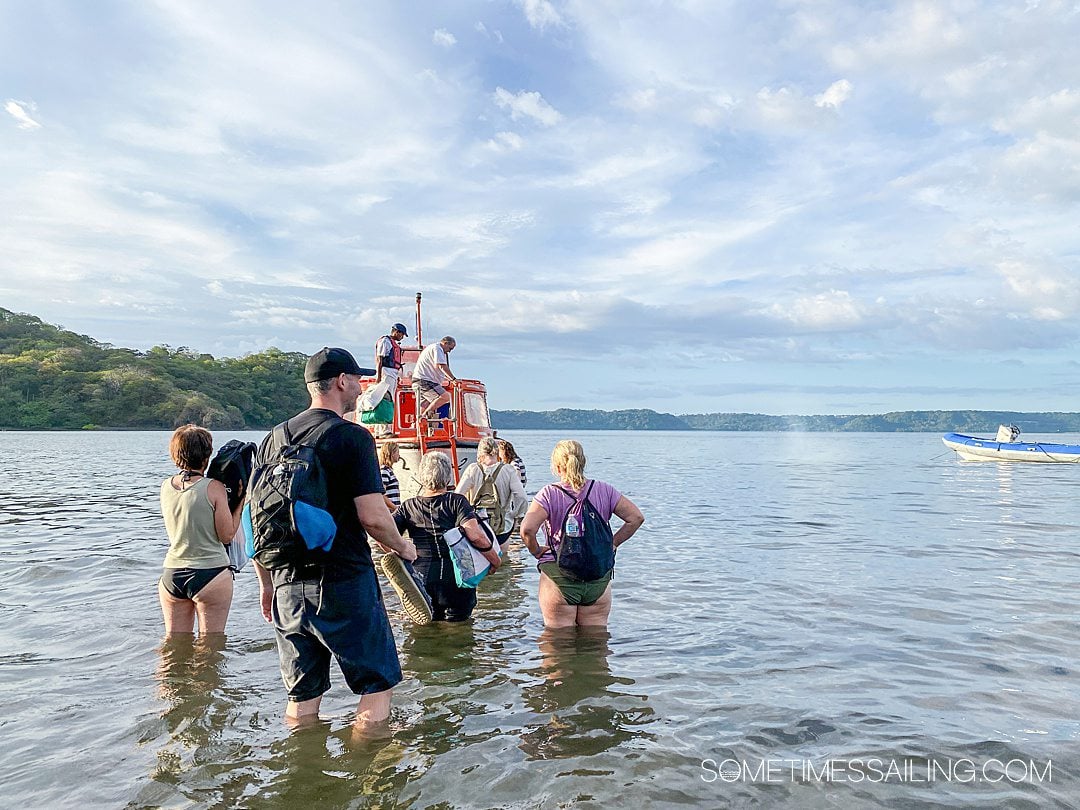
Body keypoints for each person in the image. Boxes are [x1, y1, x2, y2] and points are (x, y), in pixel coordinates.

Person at [252, 347, 418, 731]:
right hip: (343, 579)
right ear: (342, 382)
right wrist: (402, 547)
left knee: (302, 695)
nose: (362, 388)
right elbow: (374, 517)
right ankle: (372, 778)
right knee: (377, 685)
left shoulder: (272, 439)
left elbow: (255, 518)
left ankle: (302, 773)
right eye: (358, 380)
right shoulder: (352, 437)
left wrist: (266, 585)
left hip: (285, 584)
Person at [520, 440, 645, 629]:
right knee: (597, 644)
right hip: (597, 576)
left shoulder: (549, 494)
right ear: (583, 461)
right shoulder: (604, 490)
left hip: (559, 576)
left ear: (557, 466)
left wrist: (537, 551)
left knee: (557, 648)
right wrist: (612, 544)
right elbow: (636, 518)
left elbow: (527, 530)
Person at [393, 451, 501, 621]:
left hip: (422, 578)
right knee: (459, 631)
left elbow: (382, 533)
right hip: (456, 578)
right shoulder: (457, 501)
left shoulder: (408, 506)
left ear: (422, 476)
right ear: (448, 477)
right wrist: (495, 560)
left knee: (428, 630)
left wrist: (401, 555)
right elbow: (475, 536)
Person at [159, 424, 244, 635]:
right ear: (207, 455)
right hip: (211, 573)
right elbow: (227, 534)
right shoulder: (214, 487)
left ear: (175, 454)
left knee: (173, 646)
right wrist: (241, 501)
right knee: (211, 648)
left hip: (172, 574)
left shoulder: (166, 486)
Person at [456, 436, 527, 546]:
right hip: (502, 528)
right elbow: (522, 497)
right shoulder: (508, 470)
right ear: (497, 453)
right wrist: (514, 514)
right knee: (503, 560)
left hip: (477, 529)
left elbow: (457, 496)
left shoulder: (472, 469)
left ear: (479, 454)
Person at [368, 322, 408, 438]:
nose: (402, 337)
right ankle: (383, 430)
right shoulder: (385, 341)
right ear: (397, 332)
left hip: (392, 374)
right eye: (402, 335)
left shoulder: (392, 343)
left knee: (387, 400)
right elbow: (380, 359)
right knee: (385, 400)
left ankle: (379, 430)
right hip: (387, 373)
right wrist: (379, 377)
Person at [411, 336, 457, 421]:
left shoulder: (433, 348)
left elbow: (438, 368)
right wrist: (454, 379)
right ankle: (423, 418)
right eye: (450, 348)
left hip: (418, 381)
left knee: (425, 405)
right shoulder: (437, 348)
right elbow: (441, 366)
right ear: (445, 343)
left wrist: (448, 378)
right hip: (425, 381)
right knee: (446, 397)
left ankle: (416, 425)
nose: (449, 351)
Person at [379, 440, 402, 511]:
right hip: (390, 511)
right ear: (391, 453)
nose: (399, 455)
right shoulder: (384, 470)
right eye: (397, 452)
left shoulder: (388, 470)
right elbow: (381, 494)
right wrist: (395, 508)